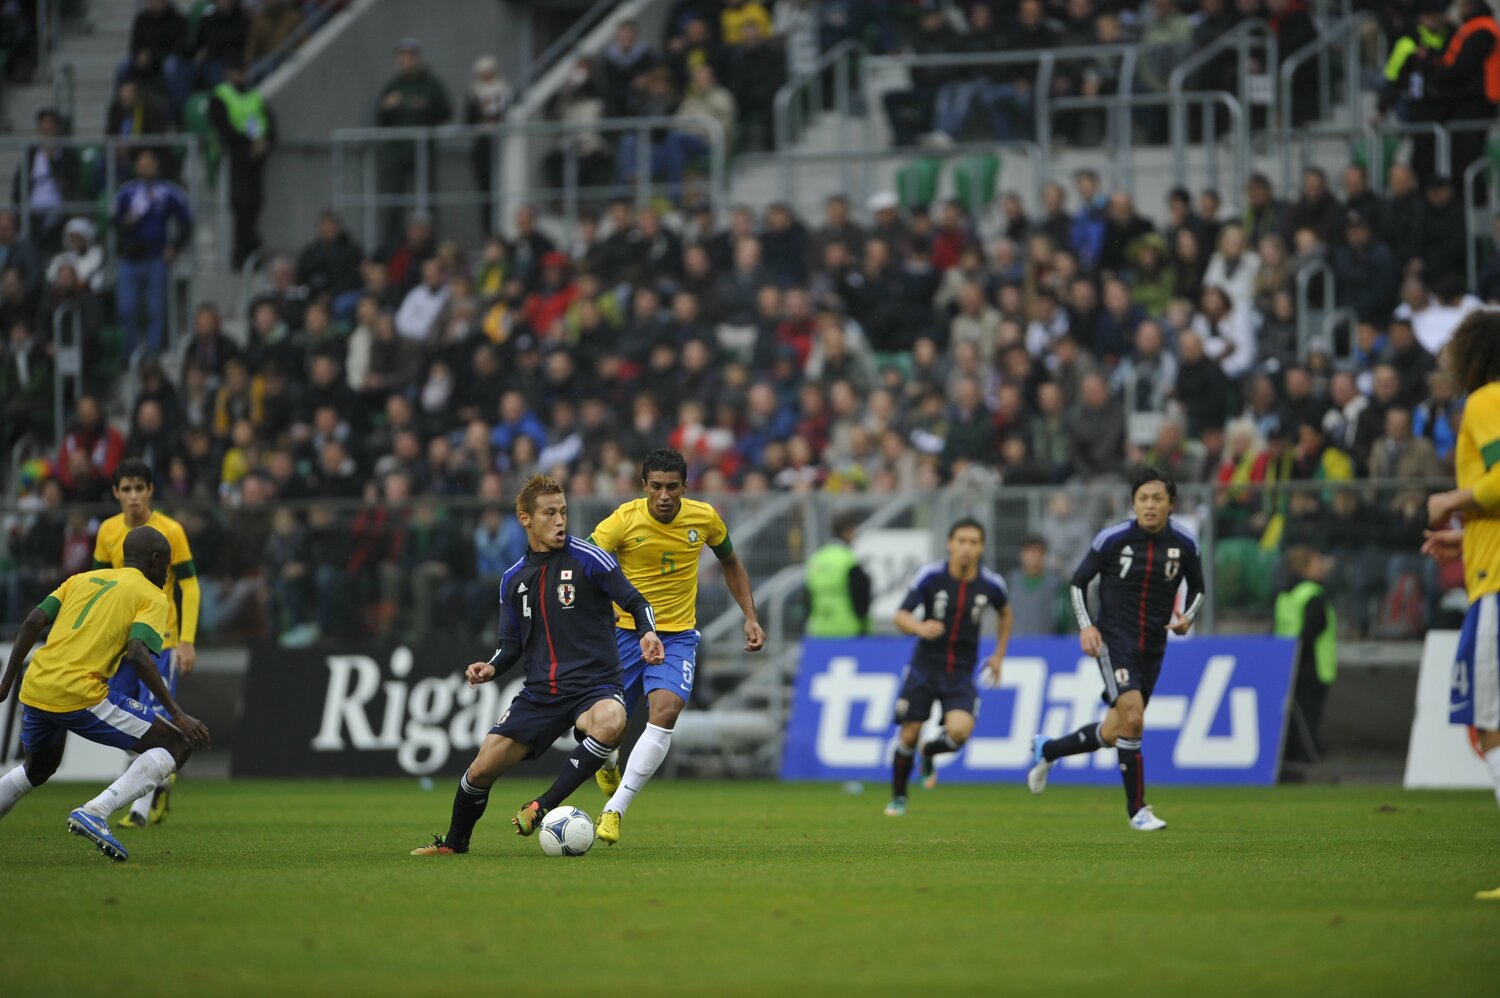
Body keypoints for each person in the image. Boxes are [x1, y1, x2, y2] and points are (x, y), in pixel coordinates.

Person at [409, 474, 665, 855]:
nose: (560, 521)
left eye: (562, 512)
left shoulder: (589, 559)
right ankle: (454, 844)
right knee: (480, 771)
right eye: (549, 513)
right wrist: (491, 667)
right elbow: (509, 645)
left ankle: (542, 805)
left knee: (613, 720)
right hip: (540, 694)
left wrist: (647, 632)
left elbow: (637, 601)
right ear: (525, 518)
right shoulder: (513, 580)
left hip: (593, 688)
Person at [0, 525, 212, 863]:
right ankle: (96, 811)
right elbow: (138, 654)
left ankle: (96, 810)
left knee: (37, 770)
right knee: (177, 745)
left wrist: (7, 681)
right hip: (79, 691)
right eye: (166, 565)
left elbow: (33, 621)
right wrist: (177, 713)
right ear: (155, 560)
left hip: (36, 685)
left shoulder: (81, 579)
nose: (167, 573)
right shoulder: (152, 595)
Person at [585, 448, 765, 844]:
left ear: (685, 486)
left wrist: (749, 615)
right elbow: (584, 561)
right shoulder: (623, 520)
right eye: (656, 487)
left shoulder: (705, 518)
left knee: (665, 712)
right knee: (605, 727)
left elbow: (732, 563)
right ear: (643, 486)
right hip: (625, 634)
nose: (664, 496)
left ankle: (614, 811)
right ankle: (609, 759)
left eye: (672, 487)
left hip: (677, 635)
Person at [1027, 467, 1206, 831]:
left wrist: (1186, 617)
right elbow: (1078, 583)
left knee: (1114, 731)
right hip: (1115, 639)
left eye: (1158, 499)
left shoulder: (1185, 544)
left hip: (1154, 646)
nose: (1150, 505)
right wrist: (1087, 626)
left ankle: (1048, 751)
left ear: (1171, 504)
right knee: (1135, 719)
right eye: (1143, 499)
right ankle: (1137, 810)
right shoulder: (1112, 539)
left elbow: (1199, 588)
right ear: (1133, 504)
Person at [1419, 310, 1500, 900]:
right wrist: (1465, 530)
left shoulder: (1486, 400)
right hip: (1486, 562)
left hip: (1496, 585)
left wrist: (1452, 497)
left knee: (1491, 724)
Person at [93, 458, 200, 827]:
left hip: (162, 641)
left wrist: (186, 641)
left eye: (140, 488)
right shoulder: (107, 531)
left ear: (151, 491)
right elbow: (100, 588)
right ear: (116, 493)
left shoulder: (171, 530)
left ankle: (139, 812)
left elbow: (190, 584)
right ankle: (161, 782)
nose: (134, 496)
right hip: (123, 645)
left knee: (152, 719)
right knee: (125, 723)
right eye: (127, 489)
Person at [885, 518, 1011, 817]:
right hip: (923, 670)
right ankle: (899, 797)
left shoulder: (991, 584)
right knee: (908, 734)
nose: (966, 548)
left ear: (981, 547)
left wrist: (999, 654)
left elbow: (1005, 613)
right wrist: (919, 626)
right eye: (961, 541)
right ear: (950, 544)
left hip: (961, 674)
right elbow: (900, 616)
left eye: (973, 542)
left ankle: (929, 753)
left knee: (959, 733)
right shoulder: (931, 576)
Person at [112, 148, 193, 360]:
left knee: (155, 310)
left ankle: (152, 356)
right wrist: (125, 224)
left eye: (150, 162)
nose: (146, 166)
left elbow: (186, 221)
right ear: (136, 166)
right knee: (125, 309)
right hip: (130, 258)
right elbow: (114, 222)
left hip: (156, 257)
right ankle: (128, 355)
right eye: (142, 162)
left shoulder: (168, 191)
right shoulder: (127, 192)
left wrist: (175, 245)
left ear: (157, 165)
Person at [209, 59, 275, 268]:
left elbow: (270, 123)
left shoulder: (255, 95)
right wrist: (248, 144)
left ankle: (250, 250)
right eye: (237, 71)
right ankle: (243, 253)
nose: (241, 75)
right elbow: (223, 127)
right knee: (241, 205)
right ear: (228, 73)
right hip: (235, 158)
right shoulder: (221, 95)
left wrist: (265, 143)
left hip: (256, 162)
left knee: (254, 205)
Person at [1275, 546, 1337, 768]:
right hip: (1314, 665)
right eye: (1317, 563)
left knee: (1292, 717)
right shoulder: (1314, 595)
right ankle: (1306, 759)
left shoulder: (1285, 595)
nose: (1322, 567)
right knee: (1308, 716)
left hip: (1287, 663)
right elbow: (1313, 629)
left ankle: (1289, 757)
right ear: (1305, 568)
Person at [805, 510, 872, 637]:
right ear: (847, 531)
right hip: (847, 630)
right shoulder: (848, 560)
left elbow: (807, 597)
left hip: (819, 629)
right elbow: (860, 598)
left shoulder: (816, 558)